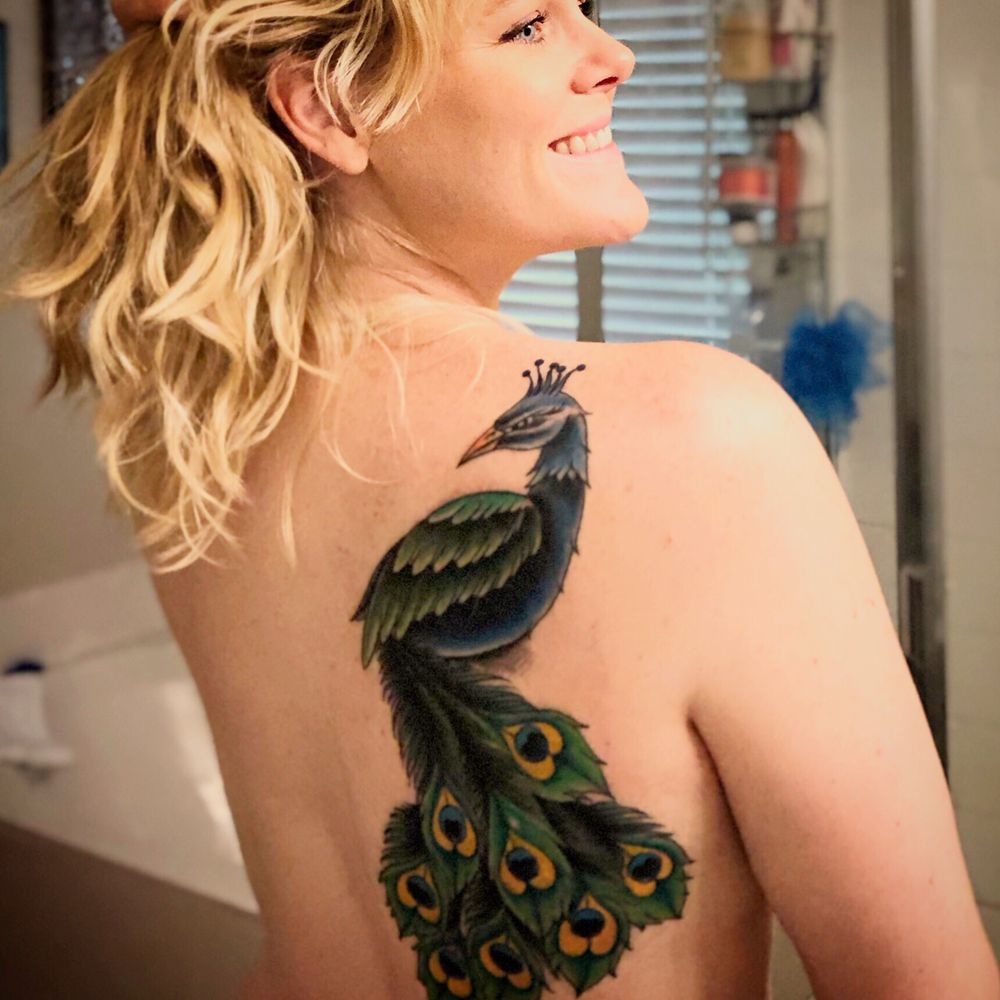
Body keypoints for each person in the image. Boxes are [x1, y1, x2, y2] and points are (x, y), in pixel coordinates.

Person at [3, 2, 996, 998]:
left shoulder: (199, 443)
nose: (615, 55)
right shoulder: (701, 433)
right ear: (332, 109)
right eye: (527, 25)